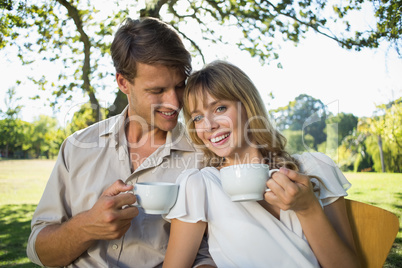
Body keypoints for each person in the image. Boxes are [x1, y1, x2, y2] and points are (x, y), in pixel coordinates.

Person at [26, 17, 216, 268]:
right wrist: (86, 227)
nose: (174, 102)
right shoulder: (77, 147)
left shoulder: (205, 154)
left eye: (180, 86)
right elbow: (40, 253)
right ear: (123, 82)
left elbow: (212, 250)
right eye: (157, 91)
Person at [162, 60, 360, 267]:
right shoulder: (199, 186)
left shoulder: (316, 168)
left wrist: (308, 209)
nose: (209, 125)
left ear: (248, 106)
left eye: (220, 108)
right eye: (198, 118)